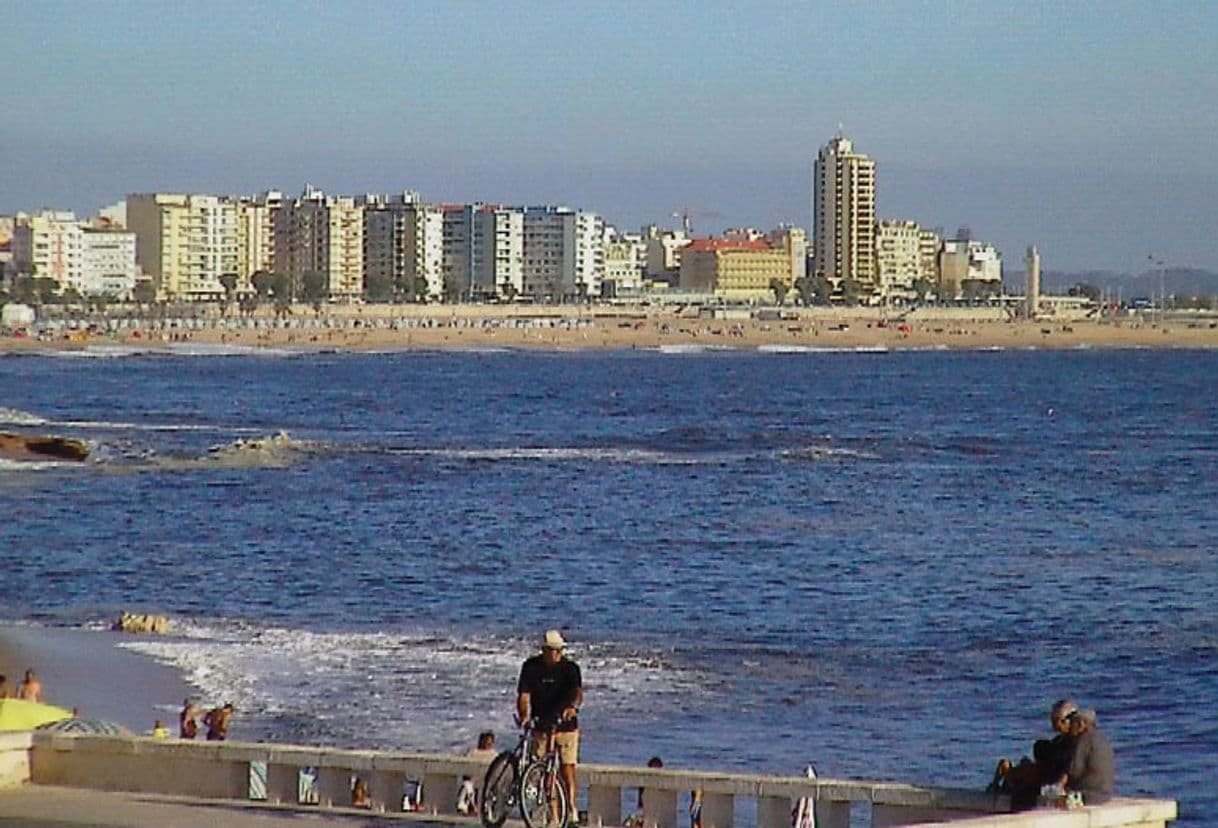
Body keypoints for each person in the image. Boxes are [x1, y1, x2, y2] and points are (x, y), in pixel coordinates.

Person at [517, 629, 583, 824]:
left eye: (559, 650)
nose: (557, 653)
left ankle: (571, 808)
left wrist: (573, 707)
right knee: (543, 770)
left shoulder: (570, 668)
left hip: (566, 726)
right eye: (553, 650)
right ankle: (553, 815)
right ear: (544, 650)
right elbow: (524, 695)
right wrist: (524, 715)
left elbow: (578, 694)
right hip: (542, 726)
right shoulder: (531, 667)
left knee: (567, 768)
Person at [1061, 708, 1115, 804]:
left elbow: (1074, 771)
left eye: (1073, 723)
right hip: (1105, 794)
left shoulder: (1083, 740)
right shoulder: (1102, 739)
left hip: (1088, 795)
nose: (1070, 727)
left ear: (1082, 724)